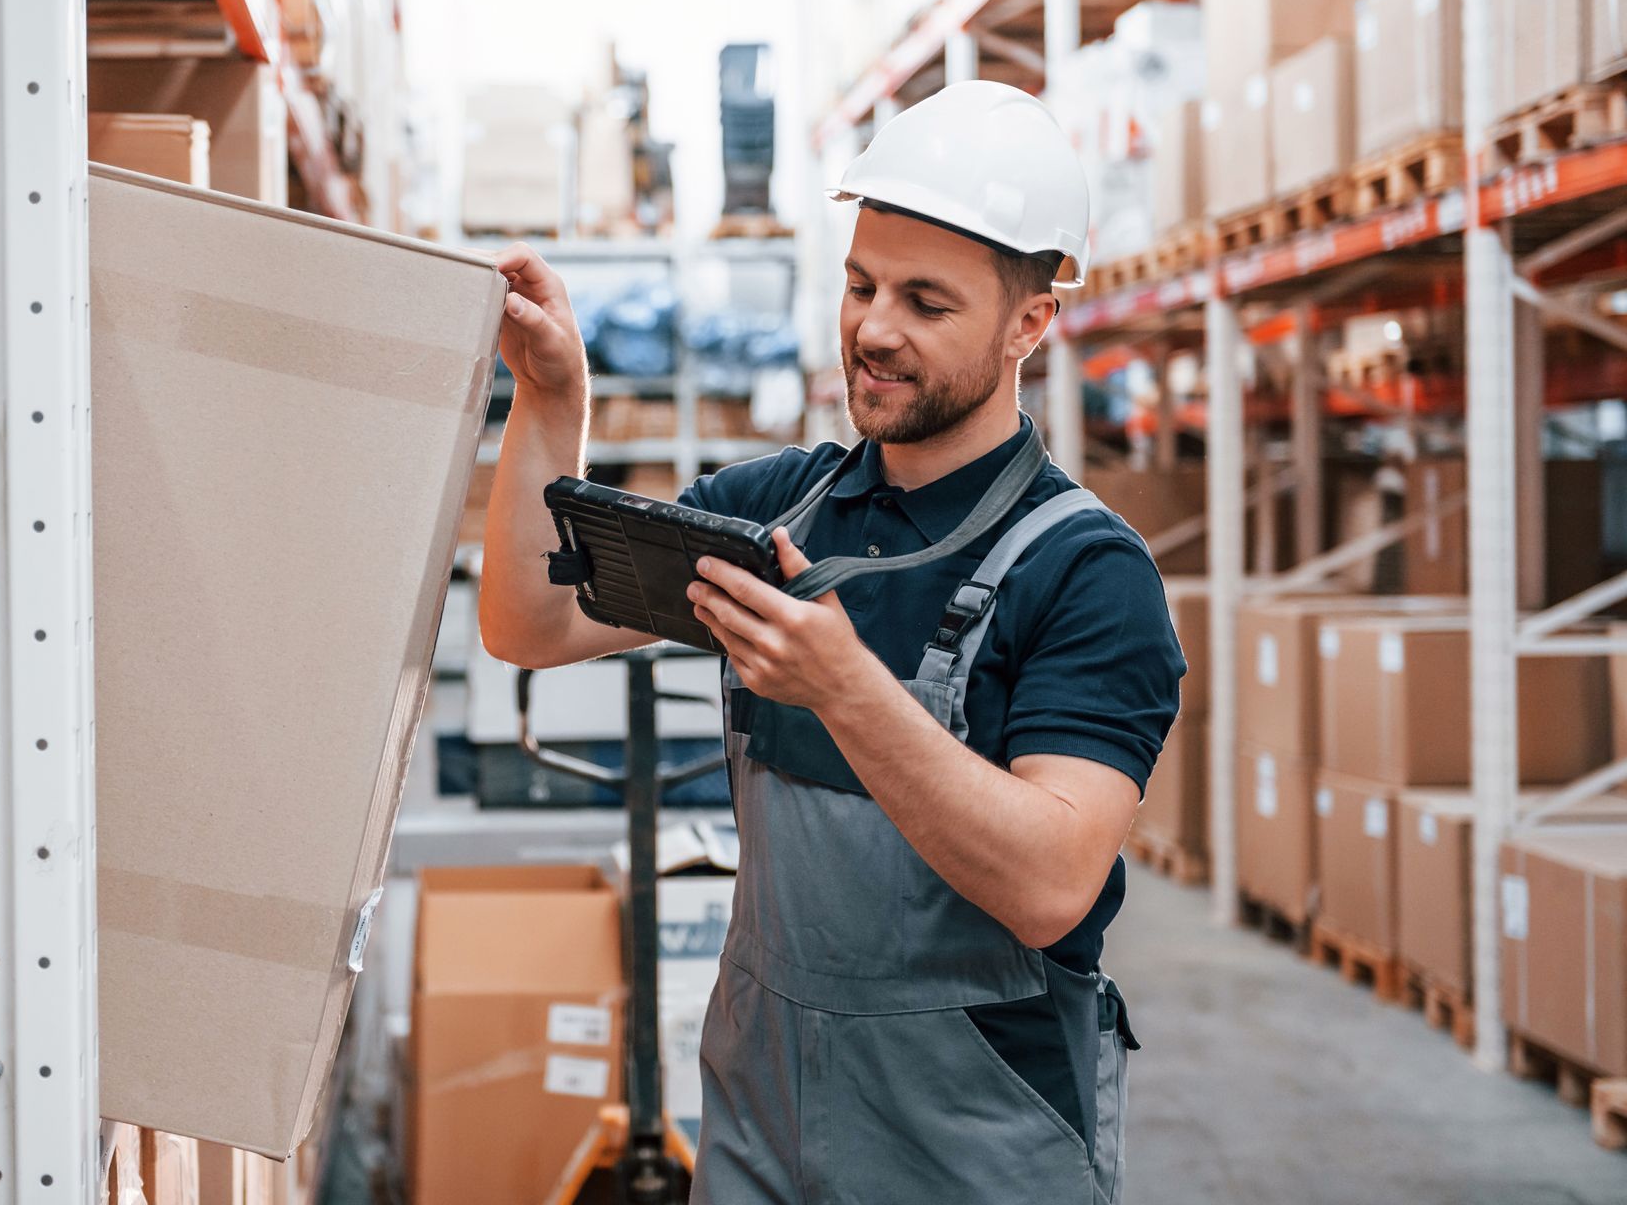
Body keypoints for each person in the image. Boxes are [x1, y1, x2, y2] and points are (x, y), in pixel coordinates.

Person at [478, 81, 1184, 1204]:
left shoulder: (1086, 571)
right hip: (760, 1118)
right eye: (861, 286)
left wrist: (847, 689)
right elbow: (530, 620)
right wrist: (554, 399)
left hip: (971, 1146)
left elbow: (1052, 881)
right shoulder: (779, 512)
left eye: (926, 302)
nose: (874, 328)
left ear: (1029, 323)